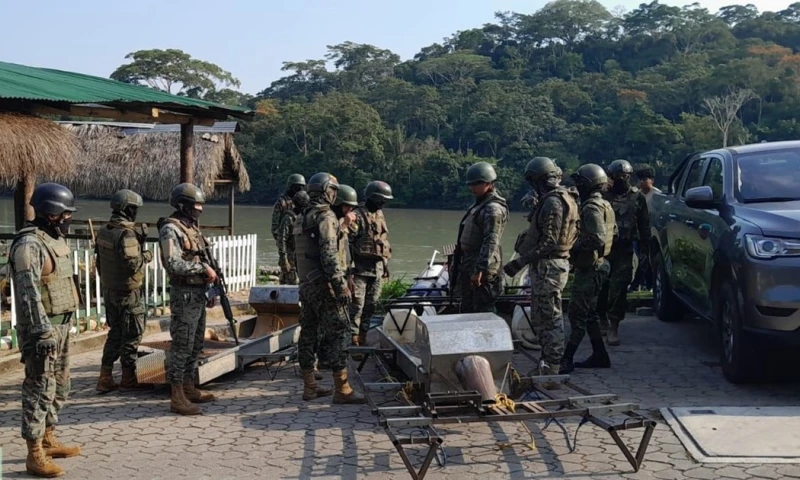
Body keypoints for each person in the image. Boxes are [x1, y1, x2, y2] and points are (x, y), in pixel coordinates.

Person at [10, 183, 81, 477]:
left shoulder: (52, 240)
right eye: (65, 214)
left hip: (60, 326)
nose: (68, 219)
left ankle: (48, 437)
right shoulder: (29, 245)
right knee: (38, 389)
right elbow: (28, 294)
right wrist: (41, 333)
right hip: (43, 331)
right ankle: (34, 453)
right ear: (51, 214)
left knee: (60, 387)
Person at [504, 157, 579, 387]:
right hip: (548, 265)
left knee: (550, 319)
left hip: (549, 267)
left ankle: (551, 369)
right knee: (542, 315)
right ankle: (547, 364)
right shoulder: (557, 199)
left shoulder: (554, 203)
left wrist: (519, 262)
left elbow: (548, 242)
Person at [295, 173, 364, 404]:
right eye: (333, 189)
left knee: (308, 333)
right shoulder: (326, 217)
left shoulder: (302, 216)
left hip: (306, 284)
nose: (335, 193)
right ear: (326, 191)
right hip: (325, 285)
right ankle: (342, 389)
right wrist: (340, 284)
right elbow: (328, 253)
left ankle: (310, 387)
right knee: (341, 331)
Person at [157, 183, 218, 416]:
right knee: (181, 345)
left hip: (197, 294)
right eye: (196, 205)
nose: (200, 209)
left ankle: (189, 386)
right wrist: (201, 268)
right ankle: (176, 395)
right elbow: (173, 263)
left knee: (195, 345)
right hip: (184, 295)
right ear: (183, 205)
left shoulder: (191, 228)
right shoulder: (170, 230)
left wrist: (210, 287)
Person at [95, 189, 154, 394]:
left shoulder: (104, 231)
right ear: (127, 209)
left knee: (115, 333)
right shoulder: (126, 234)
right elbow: (132, 265)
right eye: (134, 209)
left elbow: (99, 263)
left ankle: (105, 376)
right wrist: (146, 254)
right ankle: (128, 378)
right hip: (129, 294)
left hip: (110, 290)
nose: (136, 212)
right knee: (132, 334)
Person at [561, 164, 615, 374]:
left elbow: (597, 237)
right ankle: (600, 355)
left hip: (592, 267)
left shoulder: (591, 208)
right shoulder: (604, 205)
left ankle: (567, 358)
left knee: (577, 314)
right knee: (590, 313)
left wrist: (572, 247)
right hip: (599, 265)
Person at [598, 160, 650, 346]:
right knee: (601, 286)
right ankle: (601, 318)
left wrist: (644, 253)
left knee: (619, 288)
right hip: (603, 250)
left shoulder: (637, 197)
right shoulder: (601, 195)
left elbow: (644, 226)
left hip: (624, 249)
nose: (622, 179)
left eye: (625, 176)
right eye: (618, 176)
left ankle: (614, 324)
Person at [456, 162, 509, 313]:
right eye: (470, 184)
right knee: (468, 308)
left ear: (488, 183)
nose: (471, 188)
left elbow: (491, 241)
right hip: (471, 262)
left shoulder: (493, 209)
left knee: (484, 310)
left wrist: (480, 270)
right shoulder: (480, 205)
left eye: (475, 184)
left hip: (483, 267)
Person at [348, 181, 393, 347]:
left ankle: (363, 337)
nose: (383, 203)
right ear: (372, 198)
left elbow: (382, 241)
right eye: (381, 200)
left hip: (377, 269)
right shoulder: (357, 216)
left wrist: (385, 265)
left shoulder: (379, 214)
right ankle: (353, 340)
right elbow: (347, 245)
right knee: (356, 307)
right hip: (359, 269)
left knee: (371, 306)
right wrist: (349, 273)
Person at [333, 185, 359, 344]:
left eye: (351, 206)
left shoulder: (344, 222)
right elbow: (329, 247)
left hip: (343, 274)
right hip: (332, 276)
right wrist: (343, 226)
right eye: (347, 206)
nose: (349, 209)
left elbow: (346, 252)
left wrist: (350, 275)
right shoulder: (330, 221)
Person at [272, 174, 306, 283]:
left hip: (298, 244)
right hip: (286, 241)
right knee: (288, 274)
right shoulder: (282, 203)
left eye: (302, 187)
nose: (300, 189)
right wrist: (283, 249)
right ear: (291, 186)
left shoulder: (303, 201)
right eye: (297, 186)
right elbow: (275, 228)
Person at [277, 191, 311, 286]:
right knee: (289, 285)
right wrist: (284, 259)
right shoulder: (288, 218)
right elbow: (281, 239)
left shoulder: (302, 218)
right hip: (289, 257)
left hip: (299, 258)